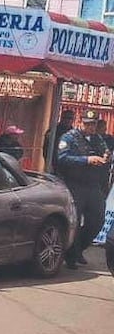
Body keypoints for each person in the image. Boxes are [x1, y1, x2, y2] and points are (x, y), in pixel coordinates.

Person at [57, 109, 110, 269]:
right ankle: (72, 256)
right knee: (75, 218)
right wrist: (86, 159)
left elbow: (105, 151)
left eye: (93, 124)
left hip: (93, 185)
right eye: (87, 124)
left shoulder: (97, 139)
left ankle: (78, 248)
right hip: (75, 184)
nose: (91, 127)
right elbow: (62, 158)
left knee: (97, 219)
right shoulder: (69, 138)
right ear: (80, 122)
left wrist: (106, 156)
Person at [44, 109, 75, 174]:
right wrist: (49, 164)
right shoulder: (53, 131)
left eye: (70, 118)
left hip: (69, 167)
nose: (67, 120)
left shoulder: (74, 133)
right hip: (54, 165)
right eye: (65, 117)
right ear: (61, 118)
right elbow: (46, 149)